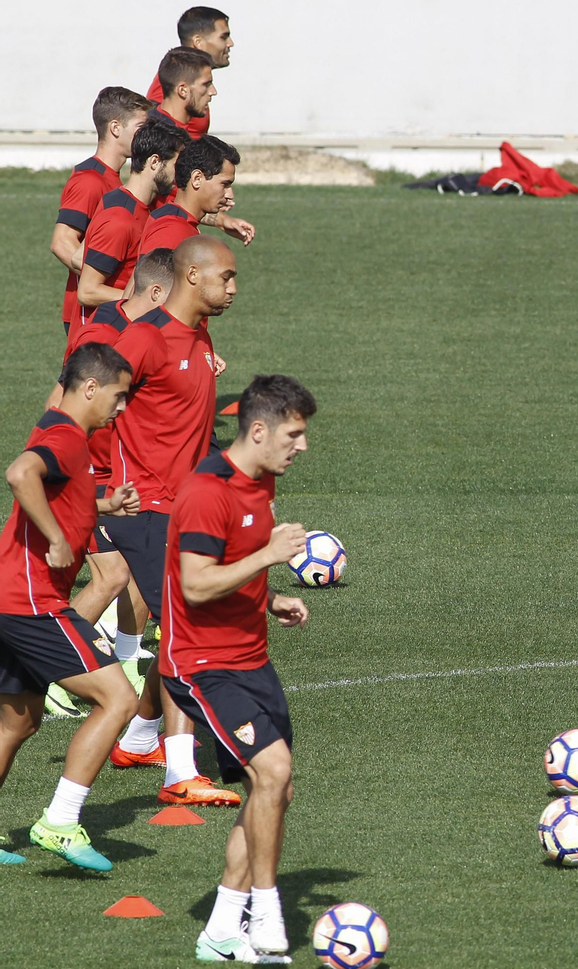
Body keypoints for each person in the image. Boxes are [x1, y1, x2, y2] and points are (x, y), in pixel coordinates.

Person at [165, 375, 315, 963]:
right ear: (259, 430)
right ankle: (267, 909)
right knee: (273, 771)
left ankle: (222, 928)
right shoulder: (207, 491)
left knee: (270, 790)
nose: (301, 446)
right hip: (201, 665)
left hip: (251, 659)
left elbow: (233, 562)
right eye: (294, 434)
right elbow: (197, 584)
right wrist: (269, 555)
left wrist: (270, 594)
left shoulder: (263, 480)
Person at [104, 236, 240, 807]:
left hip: (184, 509)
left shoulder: (200, 335)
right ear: (191, 277)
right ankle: (179, 772)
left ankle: (136, 738)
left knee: (182, 630)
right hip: (147, 510)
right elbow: (79, 400)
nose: (233, 288)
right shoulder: (146, 337)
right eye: (226, 277)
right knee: (187, 633)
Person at [0, 344, 139, 871]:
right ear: (90, 389)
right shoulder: (64, 437)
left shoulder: (58, 427)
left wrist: (102, 505)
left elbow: (57, 487)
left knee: (16, 723)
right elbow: (20, 474)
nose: (121, 407)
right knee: (119, 699)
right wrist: (57, 538)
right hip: (32, 601)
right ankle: (59, 822)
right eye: (118, 396)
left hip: (10, 596)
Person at [51, 251, 179, 708]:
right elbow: (59, 400)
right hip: (90, 473)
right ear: (159, 293)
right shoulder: (105, 336)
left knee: (136, 574)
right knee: (111, 577)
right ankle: (49, 673)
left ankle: (124, 658)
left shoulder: (149, 337)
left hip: (121, 474)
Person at [51, 87, 152, 331]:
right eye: (141, 128)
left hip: (105, 305)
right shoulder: (90, 180)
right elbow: (62, 242)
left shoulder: (115, 179)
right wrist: (98, 283)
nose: (147, 135)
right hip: (89, 313)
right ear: (116, 128)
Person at [75, 122, 188, 318]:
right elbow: (88, 291)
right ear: (154, 162)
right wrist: (147, 300)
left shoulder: (132, 202)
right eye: (176, 166)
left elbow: (78, 256)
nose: (179, 176)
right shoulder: (120, 219)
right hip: (105, 339)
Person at [139, 135, 255, 257]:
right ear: (197, 179)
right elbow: (147, 276)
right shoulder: (173, 231)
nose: (230, 195)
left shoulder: (177, 221)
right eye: (225, 184)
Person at [147, 6, 232, 140]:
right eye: (223, 37)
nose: (230, 43)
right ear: (198, 42)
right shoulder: (173, 81)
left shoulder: (194, 80)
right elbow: (156, 135)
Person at [149, 47, 217, 139]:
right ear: (183, 90)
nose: (213, 92)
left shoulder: (174, 132)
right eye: (206, 84)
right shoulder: (158, 139)